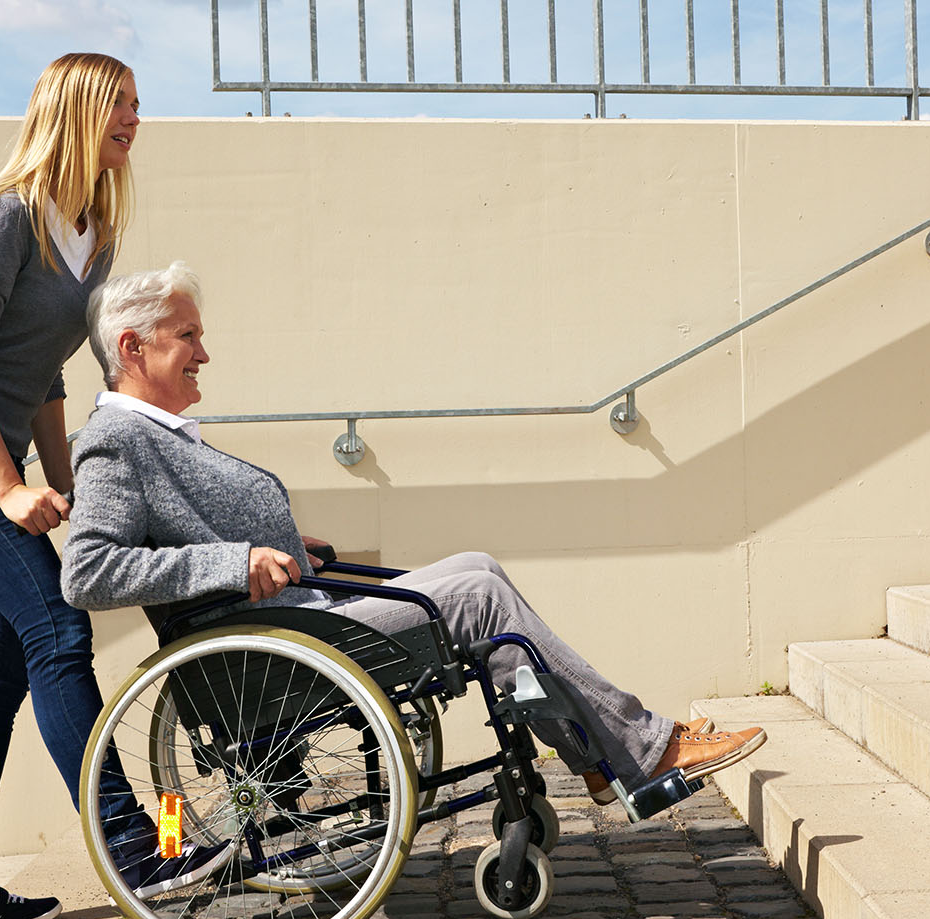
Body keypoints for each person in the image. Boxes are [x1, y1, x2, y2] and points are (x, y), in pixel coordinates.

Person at [59, 261, 767, 804]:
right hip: (278, 652)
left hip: (298, 621)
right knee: (478, 602)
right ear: (132, 345)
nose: (204, 354)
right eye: (188, 337)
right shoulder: (116, 441)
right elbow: (88, 572)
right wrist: (235, 562)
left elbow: (185, 530)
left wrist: (282, 547)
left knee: (477, 566)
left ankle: (600, 756)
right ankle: (641, 749)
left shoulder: (155, 433)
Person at [0, 55, 230, 919]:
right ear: (77, 109)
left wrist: (68, 481)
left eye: (138, 106)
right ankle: (137, 843)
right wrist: (6, 486)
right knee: (58, 628)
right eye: (120, 105)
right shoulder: (6, 216)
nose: (134, 121)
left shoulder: (95, 234)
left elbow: (45, 377)